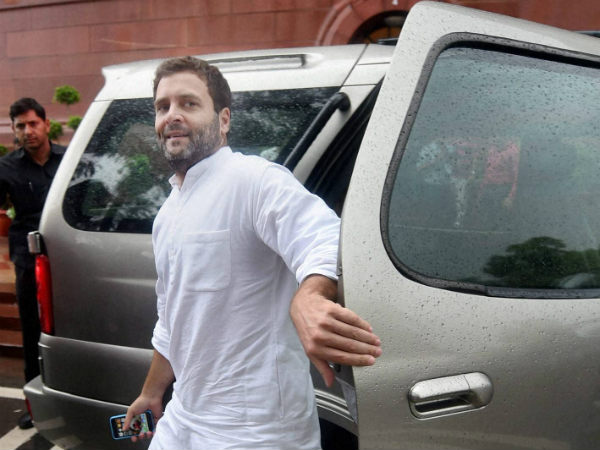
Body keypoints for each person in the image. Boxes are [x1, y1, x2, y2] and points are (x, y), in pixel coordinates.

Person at [124, 56, 382, 449]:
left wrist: (309, 296)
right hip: (183, 419)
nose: (172, 115)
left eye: (189, 103)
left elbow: (324, 238)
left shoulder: (256, 180)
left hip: (256, 431)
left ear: (223, 120)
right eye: (163, 107)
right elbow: (172, 321)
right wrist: (151, 392)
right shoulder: (167, 214)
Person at [0, 97, 66, 429]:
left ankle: (71, 397)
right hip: (28, 262)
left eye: (33, 123)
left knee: (69, 328)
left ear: (46, 124)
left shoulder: (68, 160)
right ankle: (33, 407)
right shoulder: (6, 168)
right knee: (31, 331)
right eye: (21, 126)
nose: (28, 131)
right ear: (14, 130)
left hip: (69, 259)